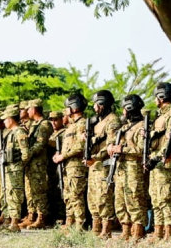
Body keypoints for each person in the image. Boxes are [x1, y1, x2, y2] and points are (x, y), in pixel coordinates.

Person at [109, 94, 149, 242]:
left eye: (124, 108)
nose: (122, 111)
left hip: (133, 168)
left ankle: (138, 231)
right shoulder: (124, 127)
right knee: (120, 200)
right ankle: (125, 230)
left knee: (134, 199)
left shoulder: (141, 127)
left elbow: (141, 150)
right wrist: (111, 147)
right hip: (121, 168)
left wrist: (122, 149)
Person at [147, 82, 171, 243]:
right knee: (155, 197)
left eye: (156, 97)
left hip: (164, 163)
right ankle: (158, 230)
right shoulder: (160, 115)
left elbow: (169, 142)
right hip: (156, 164)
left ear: (161, 97)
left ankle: (169, 231)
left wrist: (155, 158)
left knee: (166, 198)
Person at [85, 90, 122, 238]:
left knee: (103, 196)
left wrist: (96, 157)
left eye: (97, 104)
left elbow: (111, 145)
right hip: (94, 165)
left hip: (104, 165)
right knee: (92, 197)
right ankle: (96, 227)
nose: (94, 107)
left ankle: (106, 229)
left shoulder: (112, 121)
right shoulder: (98, 123)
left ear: (103, 104)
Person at [54, 93, 89, 230]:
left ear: (74, 108)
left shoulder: (82, 124)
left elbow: (81, 146)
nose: (65, 110)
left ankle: (80, 224)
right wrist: (60, 154)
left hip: (77, 166)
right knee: (68, 195)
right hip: (68, 166)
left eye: (67, 107)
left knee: (76, 195)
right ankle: (70, 222)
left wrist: (63, 155)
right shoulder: (71, 126)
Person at [21, 100, 52, 228]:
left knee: (39, 191)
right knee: (30, 191)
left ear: (34, 109)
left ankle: (41, 217)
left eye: (29, 109)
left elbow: (40, 144)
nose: (27, 111)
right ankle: (31, 214)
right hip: (31, 163)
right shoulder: (34, 124)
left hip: (39, 163)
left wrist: (27, 153)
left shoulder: (44, 124)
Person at [0, 106, 29, 230]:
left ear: (11, 119)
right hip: (7, 167)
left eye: (6, 119)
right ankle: (9, 219)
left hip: (15, 168)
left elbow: (25, 153)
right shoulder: (8, 133)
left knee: (14, 194)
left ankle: (15, 222)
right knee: (7, 194)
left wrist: (19, 165)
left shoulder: (19, 132)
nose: (4, 122)